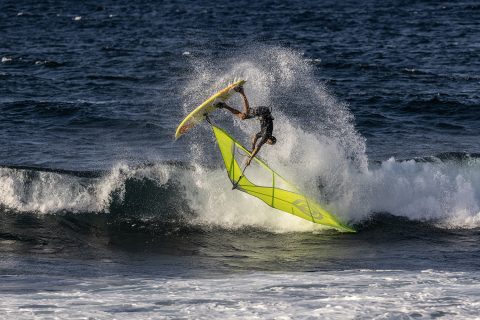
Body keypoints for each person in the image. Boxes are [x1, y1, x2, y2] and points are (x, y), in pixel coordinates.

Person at [215, 85, 276, 166]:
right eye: (269, 143)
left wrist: (252, 148)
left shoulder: (264, 133)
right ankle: (241, 90)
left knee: (242, 116)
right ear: (269, 140)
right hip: (263, 111)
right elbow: (258, 148)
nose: (266, 143)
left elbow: (255, 137)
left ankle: (224, 105)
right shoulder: (266, 136)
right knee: (246, 112)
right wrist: (250, 159)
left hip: (262, 112)